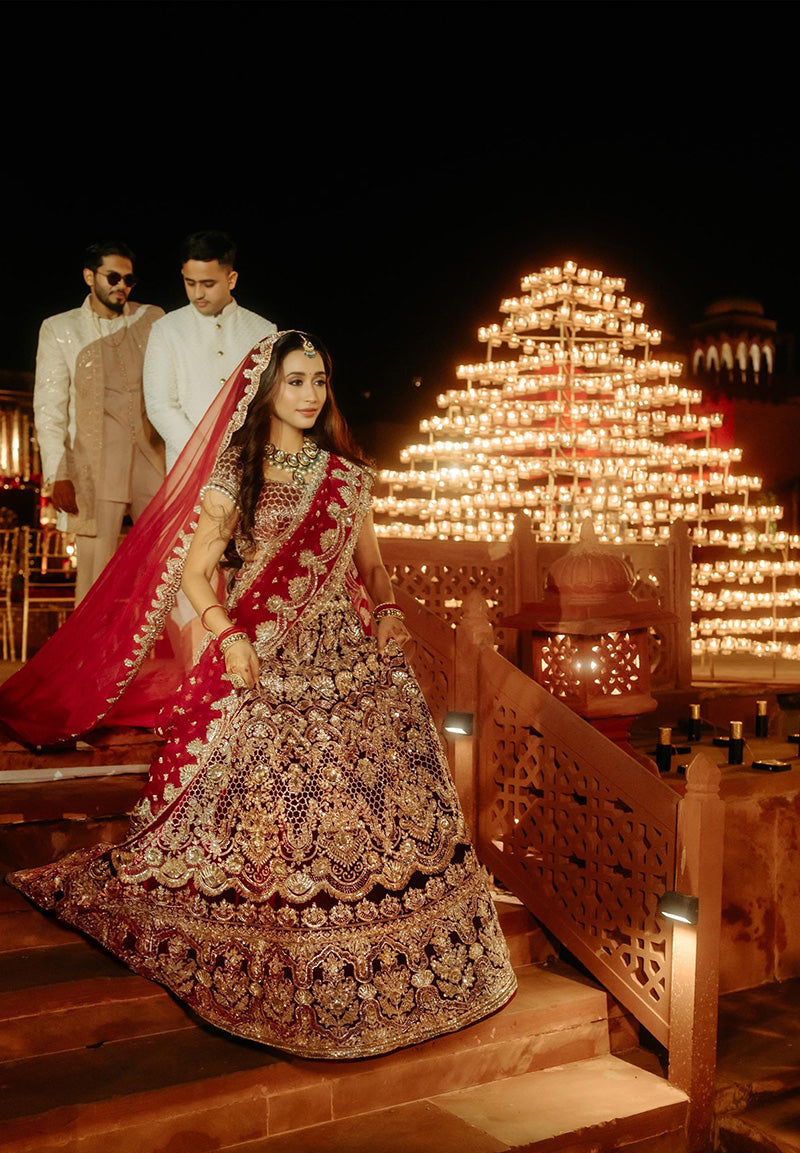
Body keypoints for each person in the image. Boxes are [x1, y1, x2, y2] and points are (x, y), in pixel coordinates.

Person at [4, 331, 516, 1060]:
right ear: (267, 390)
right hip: (265, 658)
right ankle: (303, 938)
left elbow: (373, 568)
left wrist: (393, 615)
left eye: (320, 381)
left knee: (390, 767)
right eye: (296, 381)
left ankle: (404, 943)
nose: (310, 394)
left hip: (349, 657)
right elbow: (192, 575)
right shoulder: (234, 475)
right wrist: (229, 636)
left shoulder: (348, 476)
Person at [33, 240, 166, 602]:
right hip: (95, 461)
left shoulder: (152, 318)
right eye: (113, 276)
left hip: (151, 455)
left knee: (173, 558)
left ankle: (190, 653)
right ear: (89, 276)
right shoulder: (60, 329)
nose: (121, 285)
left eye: (129, 278)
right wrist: (58, 473)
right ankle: (91, 659)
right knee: (95, 573)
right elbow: (49, 407)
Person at [144, 230, 276, 470]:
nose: (197, 294)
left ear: (231, 279)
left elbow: (268, 402)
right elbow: (160, 406)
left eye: (208, 284)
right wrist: (203, 455)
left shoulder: (263, 329)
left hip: (249, 462)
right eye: (190, 283)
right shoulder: (167, 329)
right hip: (188, 466)